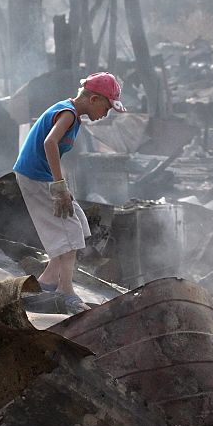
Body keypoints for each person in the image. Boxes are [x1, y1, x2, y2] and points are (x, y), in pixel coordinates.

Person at [13, 72, 126, 312]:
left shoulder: (71, 113)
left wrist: (64, 185)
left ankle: (47, 280)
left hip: (42, 176)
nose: (105, 114)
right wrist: (59, 187)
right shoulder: (69, 114)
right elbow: (49, 143)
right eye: (106, 108)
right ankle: (65, 289)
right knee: (69, 229)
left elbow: (56, 152)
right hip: (35, 177)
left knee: (78, 222)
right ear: (94, 99)